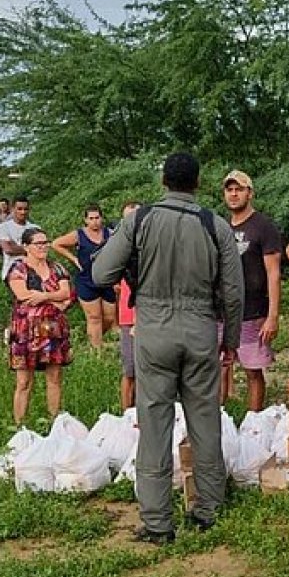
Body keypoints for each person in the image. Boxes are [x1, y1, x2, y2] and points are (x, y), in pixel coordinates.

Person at [91, 152, 243, 545]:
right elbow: (232, 292)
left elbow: (100, 273)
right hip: (199, 328)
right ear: (197, 183)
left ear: (163, 181)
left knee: (154, 424)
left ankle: (157, 521)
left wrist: (136, 275)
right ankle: (208, 508)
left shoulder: (138, 220)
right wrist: (230, 341)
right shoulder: (215, 224)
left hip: (154, 328)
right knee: (205, 418)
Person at [219, 171, 282, 411]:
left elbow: (273, 273)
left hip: (253, 310)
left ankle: (254, 423)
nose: (234, 194)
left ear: (250, 193)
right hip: (222, 310)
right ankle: (219, 421)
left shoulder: (264, 227)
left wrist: (273, 316)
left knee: (252, 371)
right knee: (219, 367)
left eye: (239, 189)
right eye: (229, 190)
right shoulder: (221, 227)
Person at [6, 228, 74, 425]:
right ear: (27, 247)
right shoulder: (18, 269)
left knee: (54, 378)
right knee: (23, 381)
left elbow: (66, 294)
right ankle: (20, 426)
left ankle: (54, 423)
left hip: (53, 329)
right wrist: (55, 299)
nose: (44, 246)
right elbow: (23, 295)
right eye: (39, 243)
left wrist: (43, 296)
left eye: (46, 242)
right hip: (26, 331)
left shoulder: (57, 268)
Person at [52, 205, 118, 348]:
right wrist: (73, 259)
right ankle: (96, 350)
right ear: (86, 220)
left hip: (106, 279)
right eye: (91, 218)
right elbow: (57, 244)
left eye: (97, 218)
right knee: (94, 317)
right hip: (86, 279)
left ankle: (96, 339)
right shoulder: (79, 235)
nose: (95, 221)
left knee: (109, 317)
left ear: (102, 218)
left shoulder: (110, 233)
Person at [114, 201, 141, 409]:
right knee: (130, 369)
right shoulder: (119, 247)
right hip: (128, 314)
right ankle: (126, 413)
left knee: (148, 370)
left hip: (152, 315)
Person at [0, 197, 38, 283]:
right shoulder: (3, 227)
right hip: (12, 271)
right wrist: (30, 248)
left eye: (26, 209)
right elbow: (8, 249)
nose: (23, 212)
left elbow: (40, 250)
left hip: (33, 271)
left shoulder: (35, 228)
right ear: (13, 209)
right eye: (19, 209)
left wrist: (15, 245)